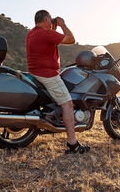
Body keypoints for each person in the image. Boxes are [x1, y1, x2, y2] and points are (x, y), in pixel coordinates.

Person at [25, 10, 90, 154]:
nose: (52, 21)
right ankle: (72, 144)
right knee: (67, 104)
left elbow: (48, 44)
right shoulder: (45, 33)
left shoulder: (33, 33)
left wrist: (53, 29)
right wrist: (62, 24)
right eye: (51, 19)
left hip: (36, 72)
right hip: (47, 74)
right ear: (47, 19)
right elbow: (71, 39)